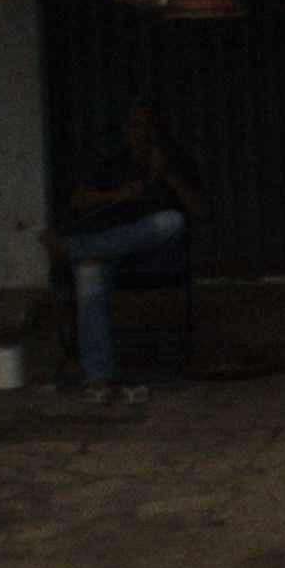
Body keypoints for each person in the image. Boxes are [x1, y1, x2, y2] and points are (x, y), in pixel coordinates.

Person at [52, 98, 202, 403]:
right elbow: (79, 199)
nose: (141, 133)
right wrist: (116, 194)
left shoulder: (172, 161)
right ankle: (98, 378)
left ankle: (75, 249)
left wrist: (167, 175)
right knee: (90, 270)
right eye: (135, 126)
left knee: (172, 220)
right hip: (111, 244)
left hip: (154, 251)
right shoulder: (112, 162)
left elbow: (198, 210)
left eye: (147, 127)